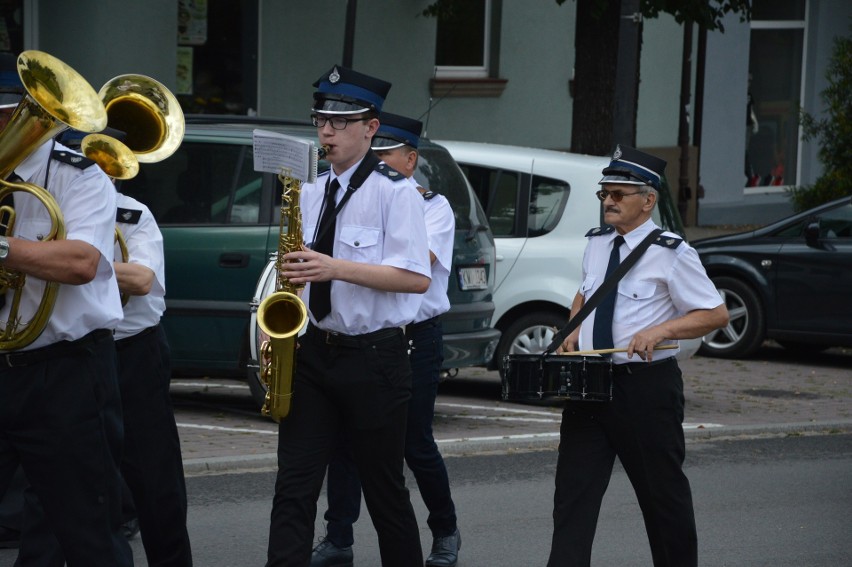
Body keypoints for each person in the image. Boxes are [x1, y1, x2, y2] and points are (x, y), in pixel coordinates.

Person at [265, 65, 432, 567]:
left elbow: (415, 279)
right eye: (321, 122)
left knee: (384, 493)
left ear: (371, 128)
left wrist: (334, 267)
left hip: (374, 357)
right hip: (314, 350)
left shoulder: (396, 193)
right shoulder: (310, 190)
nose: (327, 132)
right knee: (293, 487)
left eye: (340, 123)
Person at [547, 145, 729, 567]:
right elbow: (585, 292)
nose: (608, 201)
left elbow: (715, 313)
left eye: (618, 194)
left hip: (644, 389)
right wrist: (572, 328)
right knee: (572, 499)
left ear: (648, 200)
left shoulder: (672, 252)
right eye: (604, 194)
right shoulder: (597, 244)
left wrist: (662, 330)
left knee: (662, 498)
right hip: (590, 385)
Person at [310, 113, 460, 567]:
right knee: (344, 442)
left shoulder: (431, 206)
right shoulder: (345, 194)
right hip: (359, 339)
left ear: (410, 160)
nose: (375, 163)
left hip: (412, 337)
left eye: (384, 155)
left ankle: (445, 530)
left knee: (414, 443)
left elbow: (413, 263)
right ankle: (338, 538)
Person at [0, 52, 131, 566]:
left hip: (66, 375)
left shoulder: (81, 177)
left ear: (13, 116)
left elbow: (81, 262)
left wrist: (4, 249)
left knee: (87, 531)